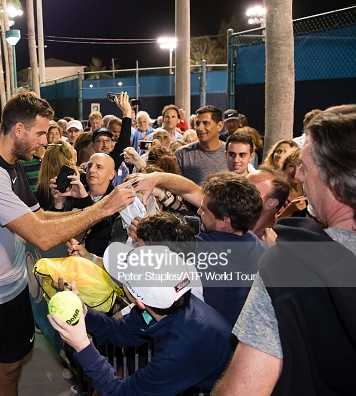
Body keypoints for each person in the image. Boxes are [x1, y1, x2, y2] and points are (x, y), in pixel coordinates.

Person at [0, 90, 136, 396]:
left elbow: (42, 217)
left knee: (10, 371)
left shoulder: (12, 166)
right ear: (19, 130)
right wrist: (103, 207)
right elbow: (39, 234)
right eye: (40, 133)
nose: (44, 141)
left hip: (13, 291)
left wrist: (86, 208)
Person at [213, 104, 356, 395]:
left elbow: (244, 390)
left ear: (334, 176)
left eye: (305, 165)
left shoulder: (290, 263)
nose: (299, 177)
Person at [49, 213, 233, 396]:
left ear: (139, 301)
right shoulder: (169, 302)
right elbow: (119, 331)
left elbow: (121, 393)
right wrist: (83, 310)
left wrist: (82, 346)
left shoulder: (176, 351)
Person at [128, 171, 265, 326]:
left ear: (225, 222)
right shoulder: (264, 250)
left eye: (204, 210)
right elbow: (191, 190)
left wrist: (144, 241)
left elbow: (142, 285)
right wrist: (156, 178)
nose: (199, 212)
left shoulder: (191, 253)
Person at [174, 105, 228, 185]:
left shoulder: (231, 153)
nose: (200, 128)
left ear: (219, 126)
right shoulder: (182, 154)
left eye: (206, 123)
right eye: (197, 123)